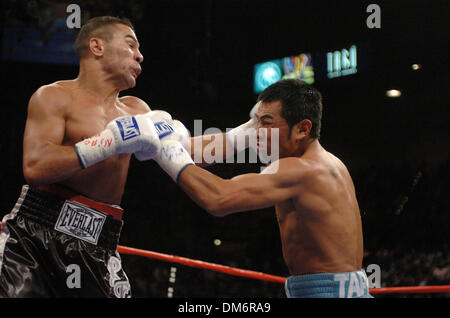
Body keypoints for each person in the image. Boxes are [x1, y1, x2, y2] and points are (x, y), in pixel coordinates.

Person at [152, 79, 373, 298]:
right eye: (256, 123)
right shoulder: (331, 162)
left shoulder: (301, 169)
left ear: (302, 129)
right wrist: (170, 144)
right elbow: (196, 155)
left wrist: (165, 149)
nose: (256, 132)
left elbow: (218, 198)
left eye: (266, 123)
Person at [0, 16, 163, 298]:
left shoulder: (137, 110)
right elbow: (35, 166)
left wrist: (243, 135)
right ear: (97, 46)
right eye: (131, 45)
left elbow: (186, 151)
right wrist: (106, 143)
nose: (140, 55)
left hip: (99, 241)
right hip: (33, 236)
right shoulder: (54, 96)